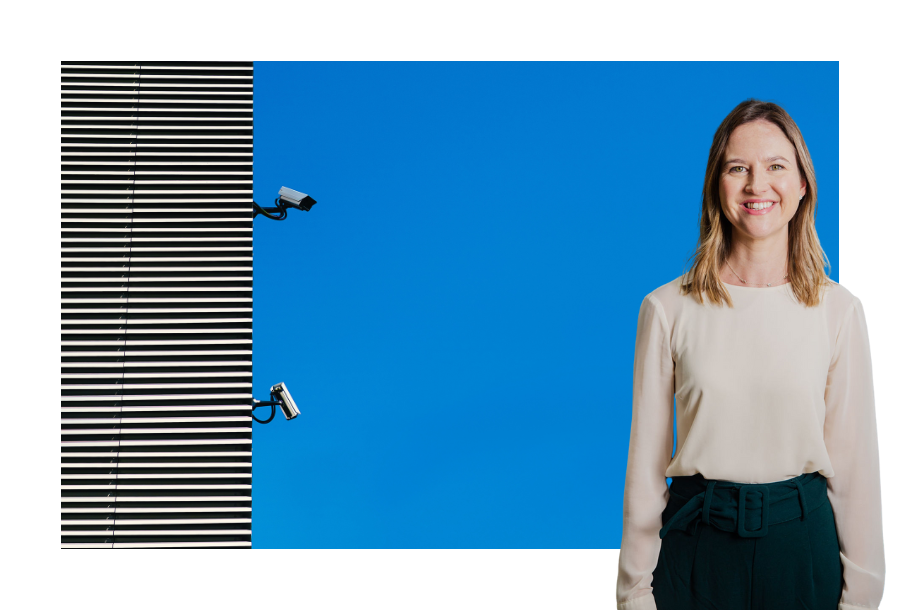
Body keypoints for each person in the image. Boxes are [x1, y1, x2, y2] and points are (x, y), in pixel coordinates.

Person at [615, 99, 885, 610]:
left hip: (801, 553)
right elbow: (645, 471)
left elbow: (856, 471)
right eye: (738, 168)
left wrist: (863, 597)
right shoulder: (667, 308)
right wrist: (634, 594)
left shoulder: (838, 312)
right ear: (717, 185)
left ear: (802, 184)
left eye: (776, 167)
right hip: (697, 552)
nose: (757, 185)